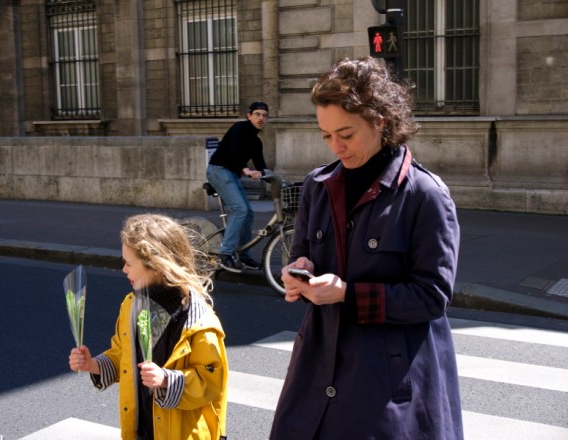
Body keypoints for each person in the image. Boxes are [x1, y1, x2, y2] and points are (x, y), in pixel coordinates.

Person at [270, 57, 463, 439]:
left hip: (388, 380)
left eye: (346, 133)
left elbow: (432, 296)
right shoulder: (318, 185)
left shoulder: (425, 194)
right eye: (326, 136)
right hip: (318, 364)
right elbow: (301, 252)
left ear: (380, 121)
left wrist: (346, 294)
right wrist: (298, 273)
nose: (336, 146)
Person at [69, 214, 228, 440]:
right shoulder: (131, 306)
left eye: (129, 263)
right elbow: (122, 354)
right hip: (141, 428)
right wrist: (93, 364)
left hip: (182, 433)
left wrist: (166, 379)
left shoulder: (199, 322)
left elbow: (211, 382)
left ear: (156, 266)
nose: (123, 269)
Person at [206, 101, 269, 272]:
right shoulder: (240, 128)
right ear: (249, 116)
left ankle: (244, 256)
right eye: (257, 114)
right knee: (240, 209)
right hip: (218, 170)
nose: (261, 118)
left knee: (248, 213)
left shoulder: (256, 142)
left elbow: (262, 166)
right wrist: (246, 169)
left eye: (264, 115)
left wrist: (278, 181)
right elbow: (234, 149)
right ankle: (224, 255)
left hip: (232, 174)